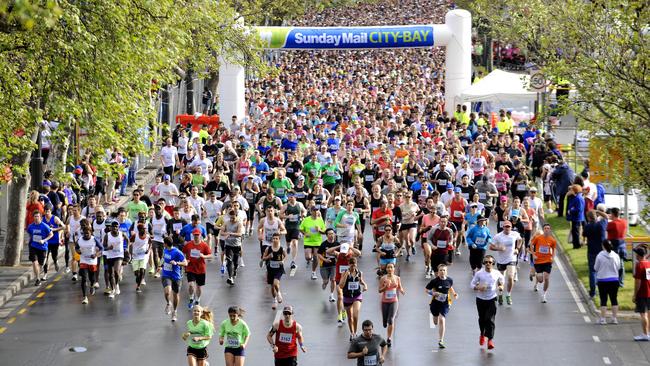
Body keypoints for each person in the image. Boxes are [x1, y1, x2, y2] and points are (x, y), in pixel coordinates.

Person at [470, 255, 504, 350]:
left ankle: (490, 340)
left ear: (493, 263)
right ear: (483, 263)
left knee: (490, 319)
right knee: (482, 319)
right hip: (480, 299)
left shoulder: (496, 273)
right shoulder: (479, 273)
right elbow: (472, 284)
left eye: (490, 262)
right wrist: (478, 287)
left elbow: (502, 281)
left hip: (492, 298)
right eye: (486, 262)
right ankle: (482, 334)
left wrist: (501, 286)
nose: (488, 264)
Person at [425, 264, 458, 349]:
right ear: (438, 272)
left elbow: (450, 287)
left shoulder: (450, 280)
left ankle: (441, 340)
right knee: (435, 321)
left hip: (445, 303)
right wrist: (433, 293)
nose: (442, 272)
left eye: (444, 270)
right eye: (440, 270)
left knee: (442, 319)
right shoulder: (434, 281)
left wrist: (454, 294)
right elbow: (426, 290)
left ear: (446, 272)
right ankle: (434, 316)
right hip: (435, 303)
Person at [490, 220, 521, 306]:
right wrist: (498, 248)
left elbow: (520, 240)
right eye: (505, 226)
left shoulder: (515, 234)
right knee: (501, 280)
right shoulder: (498, 236)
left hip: (511, 259)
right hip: (501, 260)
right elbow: (491, 247)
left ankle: (508, 295)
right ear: (503, 227)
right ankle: (500, 294)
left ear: (511, 227)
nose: (507, 228)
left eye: (509, 227)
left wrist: (517, 249)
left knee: (511, 277)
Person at [339, 257, 368, 340]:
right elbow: (341, 286)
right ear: (349, 265)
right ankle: (351, 332)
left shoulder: (359, 272)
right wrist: (345, 276)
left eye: (355, 265)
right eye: (351, 266)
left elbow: (362, 281)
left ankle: (355, 333)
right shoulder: (344, 273)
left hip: (357, 295)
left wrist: (365, 286)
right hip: (347, 297)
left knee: (355, 315)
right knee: (350, 317)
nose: (353, 267)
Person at [183, 228, 212, 308]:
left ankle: (198, 299)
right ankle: (191, 297)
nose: (196, 236)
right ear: (192, 235)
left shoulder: (204, 245)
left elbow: (210, 255)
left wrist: (204, 256)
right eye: (194, 235)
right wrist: (185, 260)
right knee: (191, 285)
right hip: (190, 268)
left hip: (200, 269)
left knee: (199, 286)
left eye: (197, 235)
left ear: (200, 236)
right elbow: (183, 253)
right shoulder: (188, 244)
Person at [378, 262, 405, 347]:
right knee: (385, 321)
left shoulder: (397, 278)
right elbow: (379, 290)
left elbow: (400, 287)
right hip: (384, 302)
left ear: (394, 269)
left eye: (391, 267)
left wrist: (402, 291)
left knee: (391, 319)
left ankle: (389, 338)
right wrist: (385, 287)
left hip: (394, 301)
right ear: (386, 269)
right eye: (388, 267)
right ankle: (384, 321)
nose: (389, 269)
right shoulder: (383, 278)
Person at [594, 240, 621, 325]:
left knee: (603, 299)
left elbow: (596, 268)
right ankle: (614, 318)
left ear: (603, 246)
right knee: (614, 299)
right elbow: (619, 267)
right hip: (614, 279)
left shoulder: (600, 255)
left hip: (603, 280)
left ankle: (603, 319)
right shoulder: (616, 255)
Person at [162, 236, 188, 322]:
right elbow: (163, 259)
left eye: (164, 243)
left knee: (175, 295)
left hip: (176, 276)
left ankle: (175, 311)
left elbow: (185, 263)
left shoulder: (177, 252)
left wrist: (176, 263)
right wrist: (159, 266)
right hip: (166, 274)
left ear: (166, 244)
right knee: (167, 292)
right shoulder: (164, 250)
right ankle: (168, 303)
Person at [529, 224, 557, 302]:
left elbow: (554, 250)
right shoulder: (538, 238)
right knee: (541, 280)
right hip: (538, 261)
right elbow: (531, 244)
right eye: (545, 228)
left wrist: (553, 257)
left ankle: (544, 295)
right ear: (543, 229)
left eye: (548, 228)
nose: (546, 229)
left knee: (547, 278)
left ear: (550, 230)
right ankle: (535, 277)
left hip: (548, 261)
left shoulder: (552, 240)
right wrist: (533, 254)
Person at [299, 205, 326, 279]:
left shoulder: (320, 220)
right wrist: (304, 233)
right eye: (314, 210)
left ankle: (313, 273)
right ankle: (309, 260)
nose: (316, 212)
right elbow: (300, 228)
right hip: (308, 241)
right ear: (311, 212)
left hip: (317, 242)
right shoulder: (306, 220)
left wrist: (319, 230)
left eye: (317, 210)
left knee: (316, 257)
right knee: (308, 257)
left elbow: (324, 232)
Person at [262, 233, 286, 310]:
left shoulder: (282, 249)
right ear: (272, 239)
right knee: (272, 287)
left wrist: (283, 261)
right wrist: (268, 257)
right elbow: (263, 258)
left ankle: (279, 293)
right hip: (270, 269)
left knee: (276, 283)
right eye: (274, 238)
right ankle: (274, 300)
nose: (275, 240)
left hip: (279, 269)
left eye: (276, 238)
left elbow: (285, 256)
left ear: (279, 239)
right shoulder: (268, 249)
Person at [633, 246, 650, 341]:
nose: (635, 255)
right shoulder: (648, 263)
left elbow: (638, 282)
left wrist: (635, 294)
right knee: (649, 313)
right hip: (649, 291)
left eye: (636, 253)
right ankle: (649, 332)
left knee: (643, 314)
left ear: (638, 255)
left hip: (642, 293)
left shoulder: (639, 265)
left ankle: (645, 334)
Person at [103, 221, 124, 298]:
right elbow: (103, 247)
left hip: (119, 255)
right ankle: (112, 290)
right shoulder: (107, 236)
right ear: (110, 227)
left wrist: (127, 249)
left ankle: (117, 285)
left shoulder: (122, 234)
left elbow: (128, 240)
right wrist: (108, 248)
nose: (115, 228)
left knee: (116, 271)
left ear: (118, 227)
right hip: (109, 256)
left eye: (116, 226)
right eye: (113, 226)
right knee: (110, 274)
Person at [130, 222, 151, 293]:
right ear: (139, 230)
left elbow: (150, 242)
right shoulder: (134, 236)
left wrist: (148, 250)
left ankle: (138, 286)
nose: (145, 230)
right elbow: (130, 244)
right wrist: (130, 253)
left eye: (145, 229)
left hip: (143, 256)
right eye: (143, 229)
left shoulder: (147, 236)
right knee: (137, 274)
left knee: (142, 271)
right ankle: (138, 280)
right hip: (135, 256)